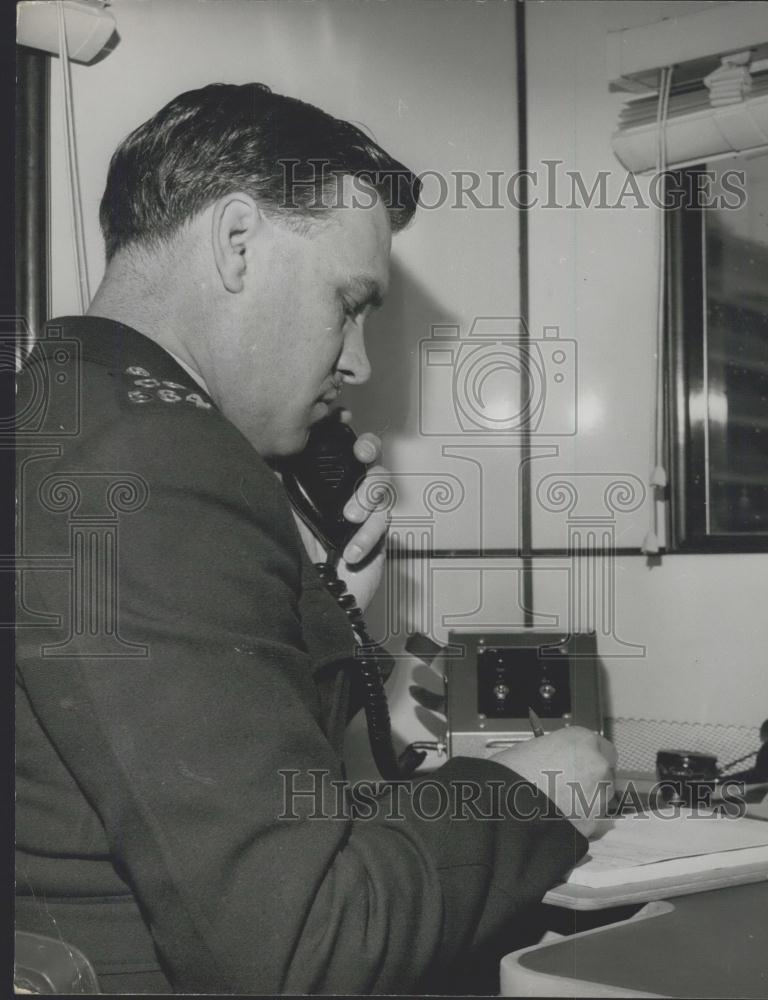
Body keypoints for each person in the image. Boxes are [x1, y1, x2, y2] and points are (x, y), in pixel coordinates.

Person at [15, 83, 616, 994]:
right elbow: (304, 941)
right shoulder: (159, 459)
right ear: (237, 242)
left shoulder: (59, 411)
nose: (358, 362)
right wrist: (532, 794)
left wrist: (321, 598)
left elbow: (198, 790)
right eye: (349, 303)